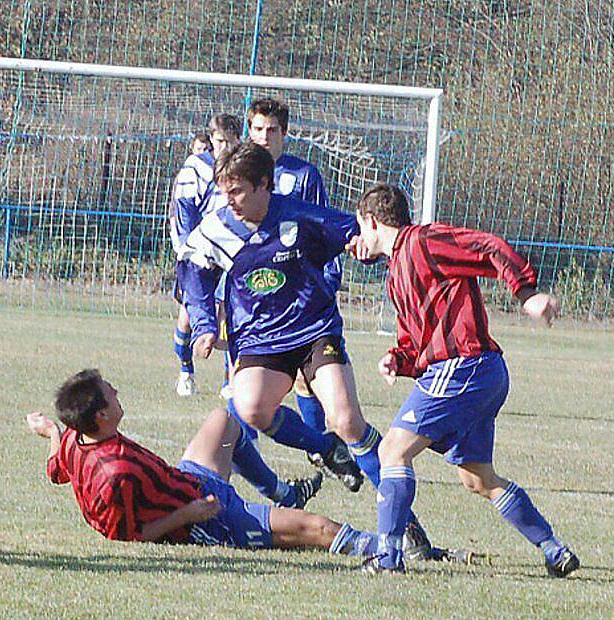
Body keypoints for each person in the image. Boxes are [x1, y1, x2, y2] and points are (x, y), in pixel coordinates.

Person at [180, 142, 434, 559]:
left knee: (349, 420)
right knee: (252, 409)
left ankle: (405, 524)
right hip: (259, 339)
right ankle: (324, 447)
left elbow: (356, 236)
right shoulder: (216, 229)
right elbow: (193, 275)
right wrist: (206, 326)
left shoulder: (300, 214)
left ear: (265, 185)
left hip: (314, 330)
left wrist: (365, 248)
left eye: (238, 191)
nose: (230, 202)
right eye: (225, 192)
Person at [346, 182, 580, 577]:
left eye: (361, 228)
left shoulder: (422, 241)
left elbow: (488, 245)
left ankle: (388, 559)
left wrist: (526, 294)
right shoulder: (396, 271)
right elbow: (415, 338)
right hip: (481, 373)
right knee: (477, 478)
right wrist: (397, 358)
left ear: (371, 221)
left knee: (392, 452)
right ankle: (553, 549)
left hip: (464, 366)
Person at [25, 368, 383, 558]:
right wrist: (191, 515)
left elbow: (57, 469)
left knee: (224, 420)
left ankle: (281, 492)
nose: (117, 391)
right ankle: (389, 549)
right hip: (210, 520)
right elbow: (129, 536)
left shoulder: (76, 436)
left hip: (190, 481)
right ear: (102, 414)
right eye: (110, 391)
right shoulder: (114, 476)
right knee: (319, 529)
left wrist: (51, 432)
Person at [246, 97, 339, 439]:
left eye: (272, 130)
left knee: (303, 376)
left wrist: (328, 279)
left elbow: (324, 228)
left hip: (295, 288)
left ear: (284, 134)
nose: (264, 137)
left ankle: (320, 446)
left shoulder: (303, 176)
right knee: (241, 373)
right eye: (258, 129)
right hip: (249, 290)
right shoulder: (236, 172)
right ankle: (246, 445)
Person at [169, 115, 241, 397]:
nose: (224, 147)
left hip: (230, 253)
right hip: (198, 254)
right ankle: (186, 369)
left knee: (230, 314)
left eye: (230, 142)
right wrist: (188, 248)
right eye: (220, 141)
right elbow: (184, 209)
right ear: (211, 139)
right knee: (189, 315)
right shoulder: (195, 168)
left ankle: (229, 379)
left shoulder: (241, 168)